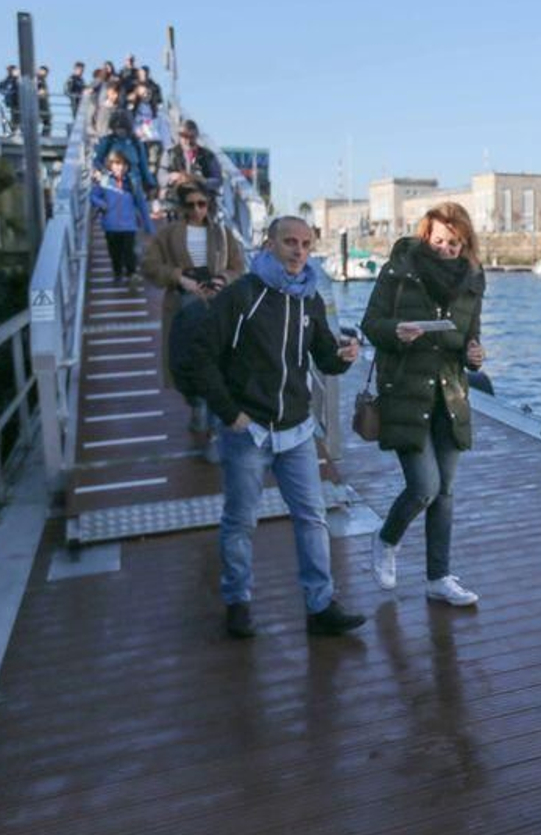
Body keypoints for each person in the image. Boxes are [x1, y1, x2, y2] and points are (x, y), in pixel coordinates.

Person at [189, 216, 367, 639]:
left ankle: (320, 605)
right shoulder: (242, 296)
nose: (298, 251)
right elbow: (200, 356)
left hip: (298, 428)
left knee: (313, 517)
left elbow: (322, 357)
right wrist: (229, 412)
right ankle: (238, 601)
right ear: (269, 244)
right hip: (248, 430)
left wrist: (344, 355)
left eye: (306, 244)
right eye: (289, 242)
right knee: (241, 519)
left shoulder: (309, 299)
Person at [362, 202, 486, 607]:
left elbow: (471, 337)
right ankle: (386, 539)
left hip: (450, 393)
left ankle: (438, 577)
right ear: (425, 236)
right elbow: (371, 325)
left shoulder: (473, 278)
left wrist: (475, 354)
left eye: (455, 243)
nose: (447, 249)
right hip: (405, 391)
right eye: (439, 241)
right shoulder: (399, 271)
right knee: (424, 487)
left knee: (445, 491)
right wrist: (397, 331)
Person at [141, 180, 245, 460]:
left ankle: (213, 429)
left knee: (218, 364)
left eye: (203, 203)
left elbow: (238, 266)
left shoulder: (223, 234)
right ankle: (197, 403)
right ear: (182, 206)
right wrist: (180, 278)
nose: (198, 210)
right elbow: (150, 266)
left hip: (217, 305)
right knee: (185, 361)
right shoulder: (168, 234)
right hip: (183, 305)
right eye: (191, 205)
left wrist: (222, 279)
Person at [88, 150, 151, 282]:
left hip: (129, 224)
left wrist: (148, 225)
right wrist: (102, 203)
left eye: (123, 164)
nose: (120, 167)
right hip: (110, 225)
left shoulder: (133, 182)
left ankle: (131, 273)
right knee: (114, 252)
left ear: (127, 166)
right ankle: (117, 273)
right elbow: (93, 196)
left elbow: (141, 204)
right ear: (110, 165)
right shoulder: (104, 181)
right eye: (116, 164)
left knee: (129, 251)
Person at [92, 111, 156, 209]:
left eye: (123, 129)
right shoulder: (108, 141)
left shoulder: (136, 143)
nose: (120, 131)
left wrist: (150, 183)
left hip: (135, 183)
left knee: (141, 212)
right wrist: (105, 172)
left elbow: (144, 165)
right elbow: (96, 160)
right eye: (117, 128)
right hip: (113, 182)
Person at [163, 119, 224, 202]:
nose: (188, 141)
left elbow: (218, 180)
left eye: (191, 137)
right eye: (184, 136)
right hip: (177, 198)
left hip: (201, 200)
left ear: (196, 137)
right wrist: (172, 177)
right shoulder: (170, 154)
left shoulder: (208, 155)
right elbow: (161, 176)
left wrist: (202, 181)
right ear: (179, 137)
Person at [0, 65, 20, 136]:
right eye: (8, 70)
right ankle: (14, 130)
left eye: (10, 70)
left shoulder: (18, 78)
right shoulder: (8, 79)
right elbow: (1, 86)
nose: (9, 72)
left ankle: (15, 130)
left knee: (17, 117)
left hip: (19, 101)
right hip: (13, 101)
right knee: (14, 116)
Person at [36, 64, 52, 137]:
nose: (45, 74)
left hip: (43, 104)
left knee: (47, 119)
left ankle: (45, 135)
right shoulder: (36, 79)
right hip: (37, 104)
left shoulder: (42, 80)